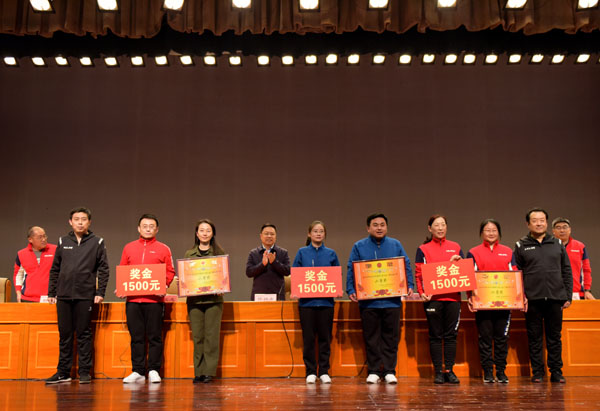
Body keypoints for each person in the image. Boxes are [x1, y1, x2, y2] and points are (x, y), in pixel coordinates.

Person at [346, 213, 414, 385]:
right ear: (368, 228)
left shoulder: (395, 244)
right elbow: (351, 268)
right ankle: (374, 371)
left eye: (382, 225)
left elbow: (405, 265)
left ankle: (390, 370)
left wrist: (409, 284)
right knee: (371, 337)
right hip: (369, 302)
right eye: (375, 225)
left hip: (392, 300)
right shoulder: (359, 246)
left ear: (387, 227)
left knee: (391, 337)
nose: (379, 228)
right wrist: (351, 289)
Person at [46, 207, 109, 384]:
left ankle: (84, 372)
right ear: (70, 222)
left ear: (89, 222)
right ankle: (63, 372)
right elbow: (55, 268)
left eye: (83, 219)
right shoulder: (63, 241)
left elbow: (104, 269)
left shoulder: (97, 242)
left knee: (84, 333)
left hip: (85, 295)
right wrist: (52, 292)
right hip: (64, 295)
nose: (80, 222)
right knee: (65, 335)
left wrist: (100, 292)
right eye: (76, 219)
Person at [514, 208, 572, 383]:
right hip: (532, 299)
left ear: (546, 223)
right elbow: (517, 274)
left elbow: (566, 270)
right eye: (534, 220)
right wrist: (521, 296)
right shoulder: (521, 245)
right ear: (528, 224)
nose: (538, 223)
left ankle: (556, 372)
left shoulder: (557, 243)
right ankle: (537, 372)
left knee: (554, 337)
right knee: (535, 338)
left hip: (555, 298)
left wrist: (567, 295)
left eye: (542, 220)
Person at [118, 214, 175, 384]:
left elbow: (170, 271)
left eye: (151, 226)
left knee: (155, 336)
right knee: (136, 337)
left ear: (157, 229)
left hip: (154, 301)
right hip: (133, 301)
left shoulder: (163, 249)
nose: (148, 229)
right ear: (139, 228)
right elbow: (123, 269)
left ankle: (154, 370)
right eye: (145, 226)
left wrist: (164, 285)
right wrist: (122, 286)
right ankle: (138, 371)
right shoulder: (129, 247)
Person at [414, 214, 464, 385]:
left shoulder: (455, 247)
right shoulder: (423, 249)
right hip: (433, 299)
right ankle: (438, 372)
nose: (440, 228)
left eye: (443, 224)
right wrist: (422, 292)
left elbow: (463, 271)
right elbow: (419, 273)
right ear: (430, 228)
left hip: (453, 298)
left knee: (451, 336)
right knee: (435, 335)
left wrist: (458, 262)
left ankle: (449, 370)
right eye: (437, 225)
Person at [467, 219, 517, 384]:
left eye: (494, 230)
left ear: (499, 233)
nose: (491, 233)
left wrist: (518, 296)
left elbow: (515, 275)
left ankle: (501, 371)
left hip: (504, 303)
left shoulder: (508, 251)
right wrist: (470, 297)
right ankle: (488, 372)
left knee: (502, 338)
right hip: (483, 304)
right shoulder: (473, 252)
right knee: (485, 338)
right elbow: (469, 277)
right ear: (482, 233)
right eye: (487, 230)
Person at [292, 220, 340, 384]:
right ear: (309, 234)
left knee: (325, 338)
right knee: (309, 339)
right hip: (307, 305)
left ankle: (324, 371)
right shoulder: (302, 252)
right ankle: (311, 371)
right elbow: (295, 274)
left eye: (321, 231)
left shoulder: (331, 253)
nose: (318, 234)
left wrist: (337, 289)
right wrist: (295, 290)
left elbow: (336, 275)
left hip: (326, 304)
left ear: (325, 234)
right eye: (315, 231)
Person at [185, 219, 227, 384]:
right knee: (198, 337)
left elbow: (224, 278)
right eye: (202, 230)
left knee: (211, 337)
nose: (205, 233)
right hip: (194, 301)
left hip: (213, 301)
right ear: (197, 233)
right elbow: (186, 277)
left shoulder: (219, 253)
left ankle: (209, 372)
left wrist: (222, 285)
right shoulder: (189, 254)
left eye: (208, 230)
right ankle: (199, 372)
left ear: (213, 233)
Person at [552, 217, 594, 300]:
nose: (562, 230)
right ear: (553, 231)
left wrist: (587, 290)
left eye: (565, 227)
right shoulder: (547, 247)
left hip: (576, 293)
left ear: (569, 230)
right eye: (558, 228)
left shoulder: (580, 246)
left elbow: (586, 270)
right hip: (553, 293)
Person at [246, 223, 291, 301]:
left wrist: (274, 262)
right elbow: (249, 272)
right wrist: (262, 265)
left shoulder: (283, 252)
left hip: (277, 295)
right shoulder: (253, 253)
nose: (269, 236)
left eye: (272, 234)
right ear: (261, 236)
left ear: (275, 236)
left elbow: (287, 271)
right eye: (266, 234)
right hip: (259, 295)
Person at [13, 226, 57, 302]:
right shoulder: (21, 254)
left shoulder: (55, 250)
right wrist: (18, 292)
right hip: (27, 299)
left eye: (44, 236)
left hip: (50, 298)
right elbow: (18, 275)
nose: (44, 239)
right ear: (30, 239)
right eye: (40, 237)